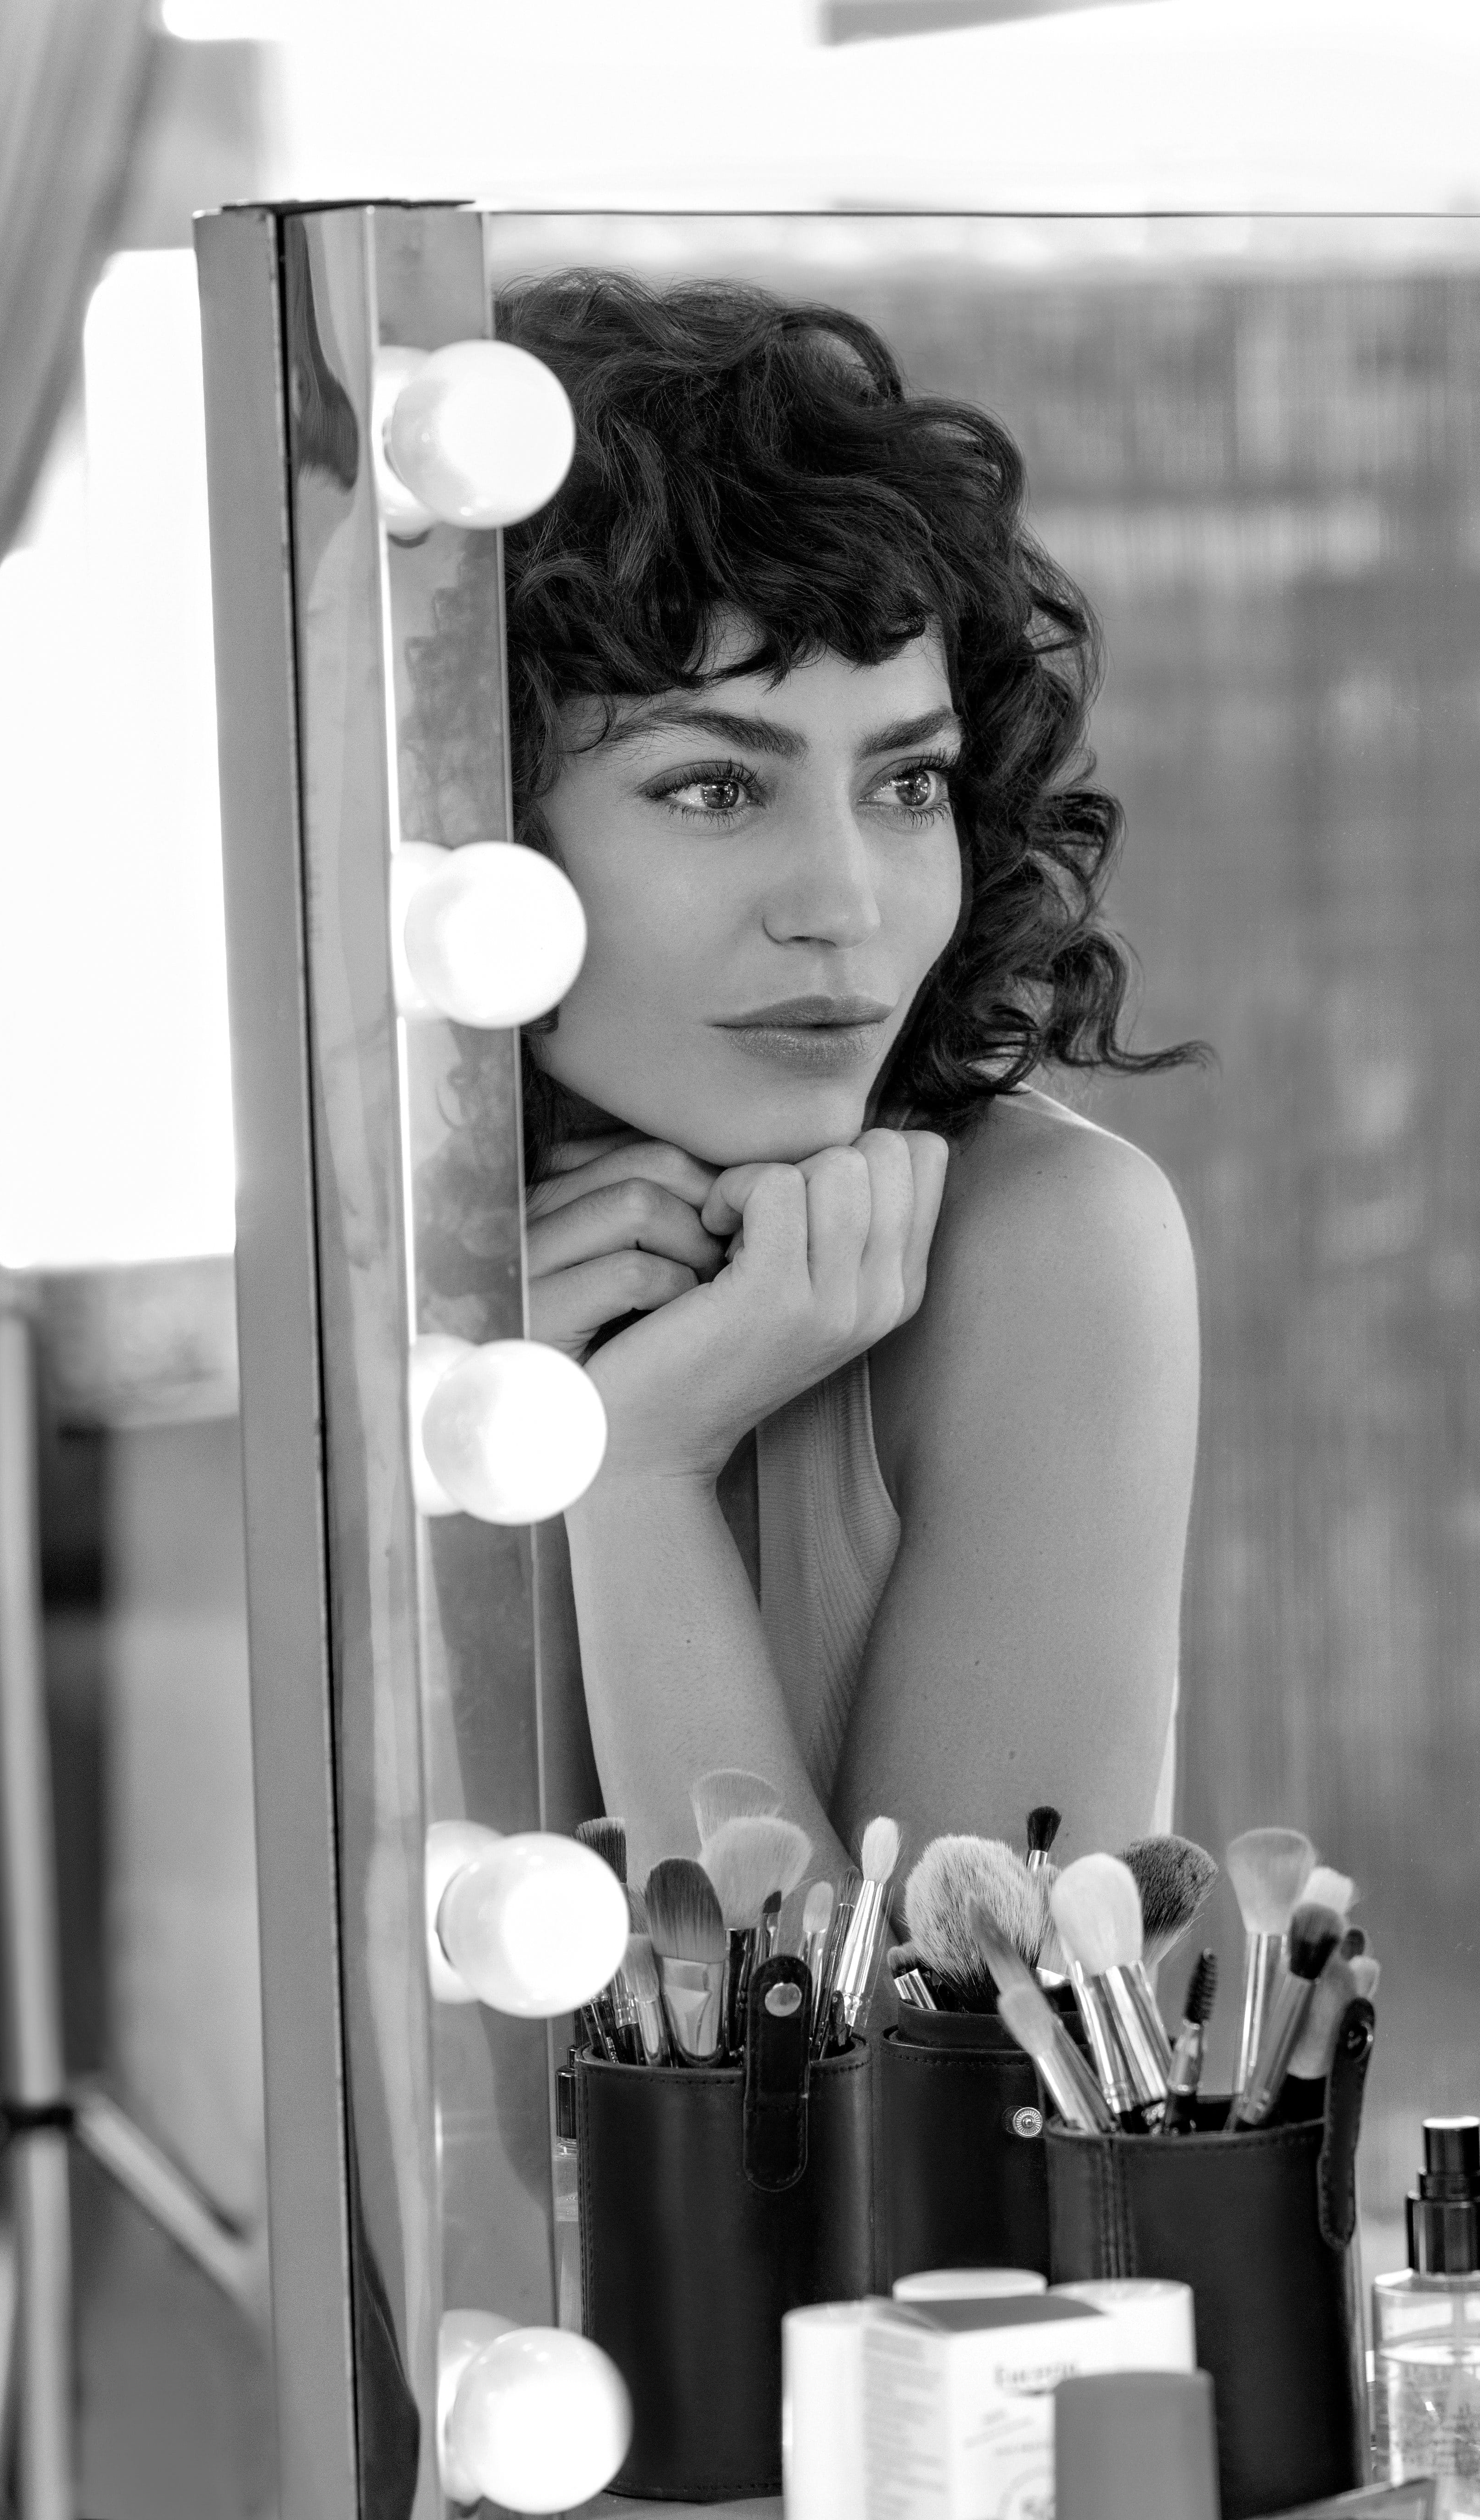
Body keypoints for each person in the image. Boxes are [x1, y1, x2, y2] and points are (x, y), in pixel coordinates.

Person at [499, 271, 1199, 1878]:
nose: (844, 906)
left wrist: (639, 1473)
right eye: (712, 788)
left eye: (907, 784)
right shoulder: (361, 1274)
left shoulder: (1046, 1245)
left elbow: (922, 2107)